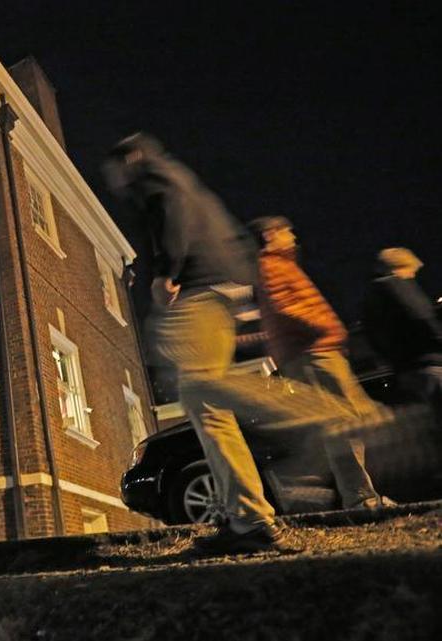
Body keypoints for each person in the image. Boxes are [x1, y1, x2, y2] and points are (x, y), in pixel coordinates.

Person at [103, 133, 376, 554]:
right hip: (221, 291)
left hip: (199, 290)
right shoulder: (179, 175)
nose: (115, 181)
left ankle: (327, 412)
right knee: (208, 406)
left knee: (198, 385)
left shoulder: (156, 177)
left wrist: (166, 272)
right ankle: (249, 519)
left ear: (130, 158)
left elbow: (171, 210)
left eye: (115, 171)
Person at [248, 216, 385, 509]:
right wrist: (328, 328)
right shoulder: (270, 265)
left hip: (318, 350)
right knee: (342, 423)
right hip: (311, 352)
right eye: (288, 232)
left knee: (349, 422)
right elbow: (285, 307)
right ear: (271, 234)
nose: (293, 237)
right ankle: (341, 492)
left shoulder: (282, 264)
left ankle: (355, 493)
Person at [361, 248, 442, 410]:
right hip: (429, 363)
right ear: (400, 267)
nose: (412, 276)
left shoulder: (371, 298)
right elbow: (423, 320)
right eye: (411, 270)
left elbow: (374, 339)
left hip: (405, 369)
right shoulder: (397, 286)